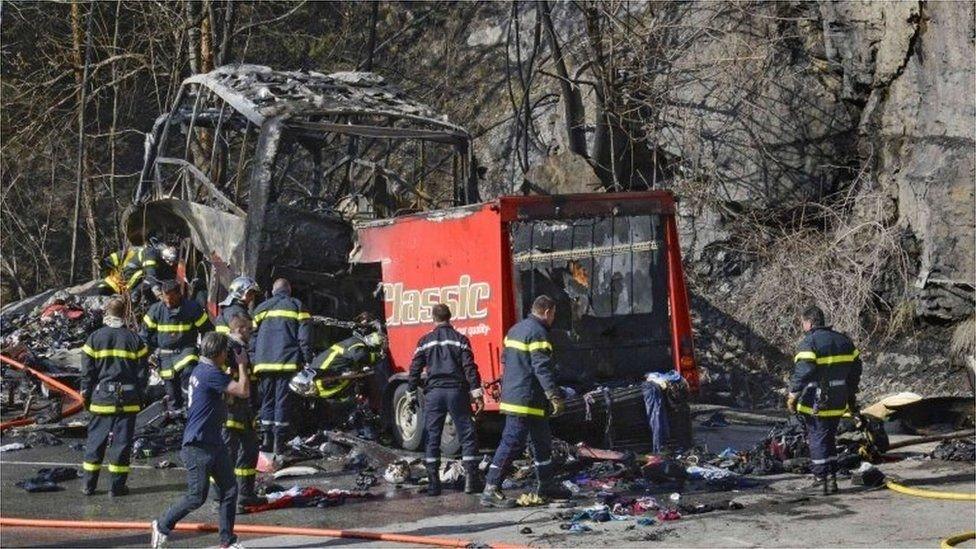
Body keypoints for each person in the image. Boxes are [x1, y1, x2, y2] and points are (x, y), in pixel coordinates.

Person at [152, 332, 249, 549]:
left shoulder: (205, 369)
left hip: (214, 441)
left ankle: (227, 541)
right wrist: (242, 364)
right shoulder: (210, 373)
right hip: (198, 445)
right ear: (220, 353)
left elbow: (229, 397)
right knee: (197, 496)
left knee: (229, 490)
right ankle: (161, 525)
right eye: (227, 351)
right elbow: (243, 391)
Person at [481, 295, 571, 507]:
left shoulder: (515, 330)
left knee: (542, 441)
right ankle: (491, 487)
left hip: (523, 396)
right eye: (554, 314)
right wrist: (554, 396)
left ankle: (546, 485)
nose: (553, 318)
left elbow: (506, 360)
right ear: (547, 312)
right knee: (513, 441)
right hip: (525, 398)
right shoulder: (538, 333)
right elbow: (542, 368)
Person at [407, 303, 484, 496]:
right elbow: (470, 368)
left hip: (434, 394)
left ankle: (434, 485)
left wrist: (410, 393)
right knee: (466, 434)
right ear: (450, 317)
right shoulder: (461, 340)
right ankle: (471, 482)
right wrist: (477, 393)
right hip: (456, 392)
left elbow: (415, 368)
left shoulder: (425, 341)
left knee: (432, 435)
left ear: (433, 319)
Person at [787, 305, 862, 495]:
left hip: (816, 401)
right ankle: (831, 480)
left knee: (818, 438)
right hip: (838, 400)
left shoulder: (809, 343)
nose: (803, 326)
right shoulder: (843, 341)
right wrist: (850, 394)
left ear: (809, 323)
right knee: (828, 438)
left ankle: (821, 479)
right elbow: (855, 369)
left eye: (803, 323)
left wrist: (793, 395)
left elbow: (804, 371)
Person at [80, 297, 149, 496]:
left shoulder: (94, 338)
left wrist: (86, 392)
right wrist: (139, 393)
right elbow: (142, 373)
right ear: (123, 314)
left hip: (101, 399)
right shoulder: (135, 339)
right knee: (121, 444)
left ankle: (88, 485)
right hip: (127, 401)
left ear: (106, 314)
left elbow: (88, 372)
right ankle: (117, 488)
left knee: (95, 442)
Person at [251, 278, 312, 455]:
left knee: (267, 400)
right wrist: (307, 360)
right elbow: (305, 337)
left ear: (272, 291)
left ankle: (266, 440)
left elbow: (252, 337)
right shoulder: (297, 306)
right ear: (289, 290)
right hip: (286, 362)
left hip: (263, 363)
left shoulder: (261, 308)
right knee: (282, 401)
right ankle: (279, 442)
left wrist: (254, 359)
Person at [141, 280, 213, 412]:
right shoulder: (156, 310)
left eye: (172, 299)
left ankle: (193, 408)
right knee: (171, 391)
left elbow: (207, 329)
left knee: (188, 374)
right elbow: (144, 335)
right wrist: (145, 353)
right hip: (165, 355)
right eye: (165, 299)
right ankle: (176, 415)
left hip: (186, 351)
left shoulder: (192, 308)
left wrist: (206, 350)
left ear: (179, 294)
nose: (168, 303)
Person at [221, 314, 264, 509]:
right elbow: (222, 379)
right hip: (230, 410)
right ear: (238, 329)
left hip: (244, 410)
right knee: (227, 455)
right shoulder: (228, 348)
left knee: (249, 450)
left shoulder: (241, 348)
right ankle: (221, 498)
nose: (250, 332)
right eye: (248, 329)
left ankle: (246, 493)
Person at [289, 329, 385, 400]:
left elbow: (358, 355)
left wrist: (376, 356)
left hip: (357, 354)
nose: (306, 391)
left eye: (305, 388)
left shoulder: (321, 372)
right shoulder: (321, 387)